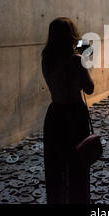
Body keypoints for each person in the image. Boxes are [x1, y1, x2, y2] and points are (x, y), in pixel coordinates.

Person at [41, 17, 95, 204]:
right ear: (72, 35)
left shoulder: (46, 58)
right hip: (75, 115)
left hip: (55, 114)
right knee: (78, 163)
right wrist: (86, 59)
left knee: (55, 165)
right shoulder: (77, 59)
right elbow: (89, 88)